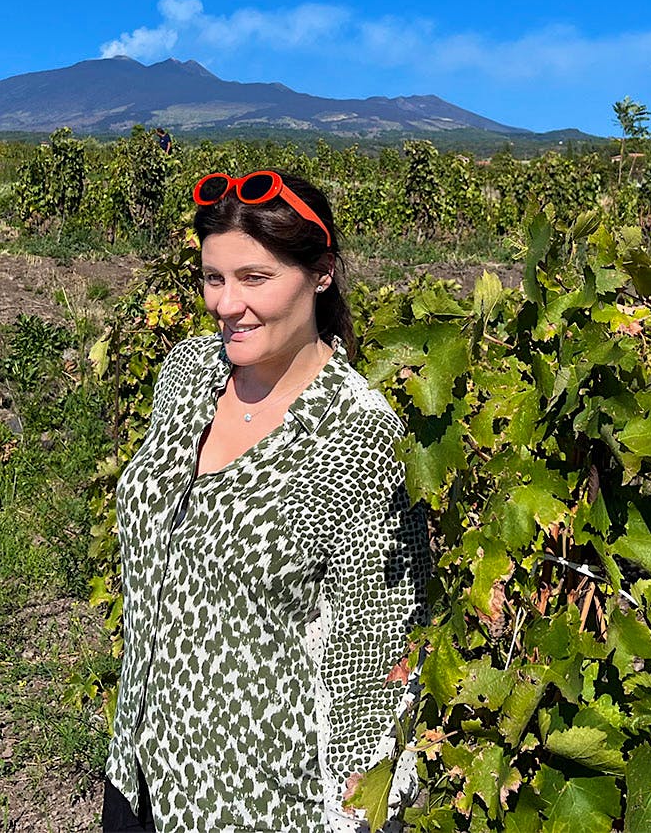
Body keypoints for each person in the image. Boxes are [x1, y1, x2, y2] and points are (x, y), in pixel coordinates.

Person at [103, 170, 430, 832]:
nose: (226, 304)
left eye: (255, 278)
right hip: (138, 769)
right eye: (212, 278)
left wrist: (356, 816)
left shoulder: (359, 437)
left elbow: (376, 660)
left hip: (259, 802)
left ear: (321, 274)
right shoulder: (190, 371)